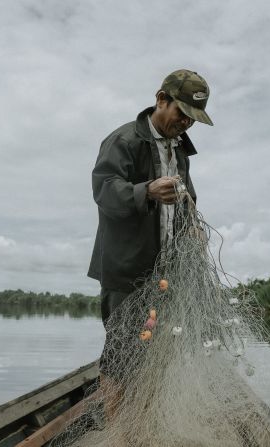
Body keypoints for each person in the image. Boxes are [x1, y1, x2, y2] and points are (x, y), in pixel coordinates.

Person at [87, 69, 213, 420]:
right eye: (182, 113)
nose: (186, 123)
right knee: (121, 354)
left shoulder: (180, 151)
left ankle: (142, 422)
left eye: (193, 118)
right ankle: (119, 435)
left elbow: (188, 197)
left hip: (164, 272)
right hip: (127, 270)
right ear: (161, 100)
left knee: (153, 349)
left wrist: (192, 228)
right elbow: (104, 190)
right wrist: (146, 190)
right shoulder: (124, 140)